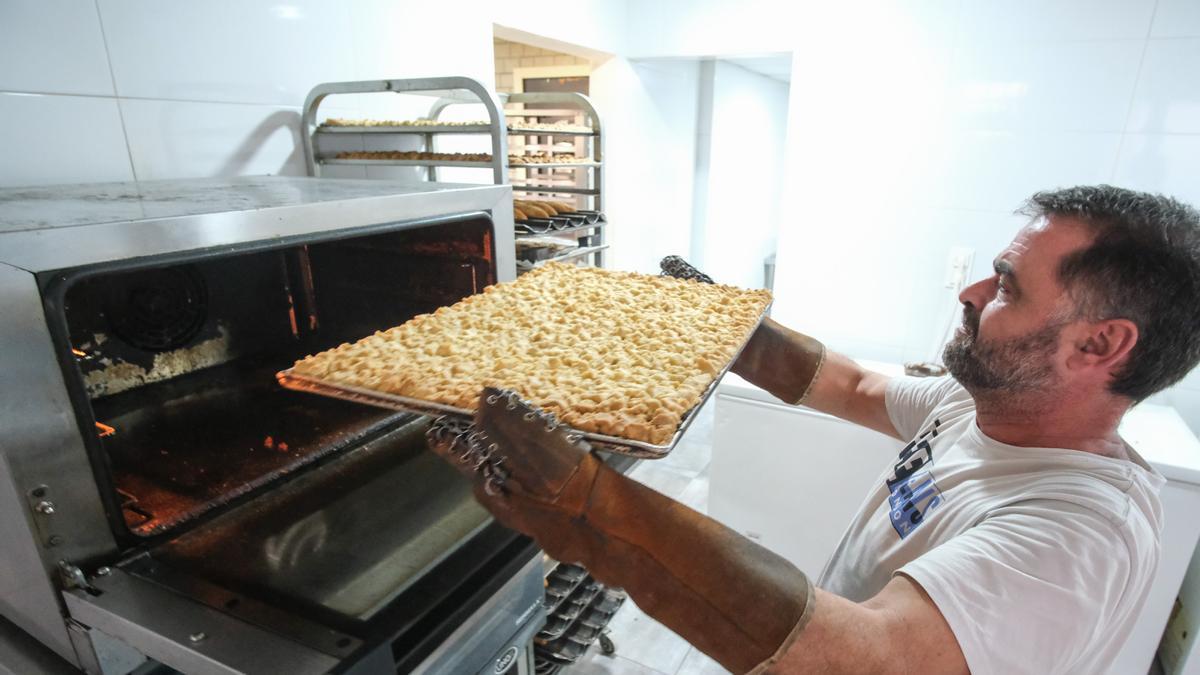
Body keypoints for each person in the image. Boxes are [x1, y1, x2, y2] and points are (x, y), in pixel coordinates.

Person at [426, 185, 1200, 674]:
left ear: (1099, 344)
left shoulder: (1073, 537)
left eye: (1006, 286)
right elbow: (855, 385)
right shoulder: (982, 405)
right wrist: (731, 329)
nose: (968, 291)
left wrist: (594, 509)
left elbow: (868, 661)